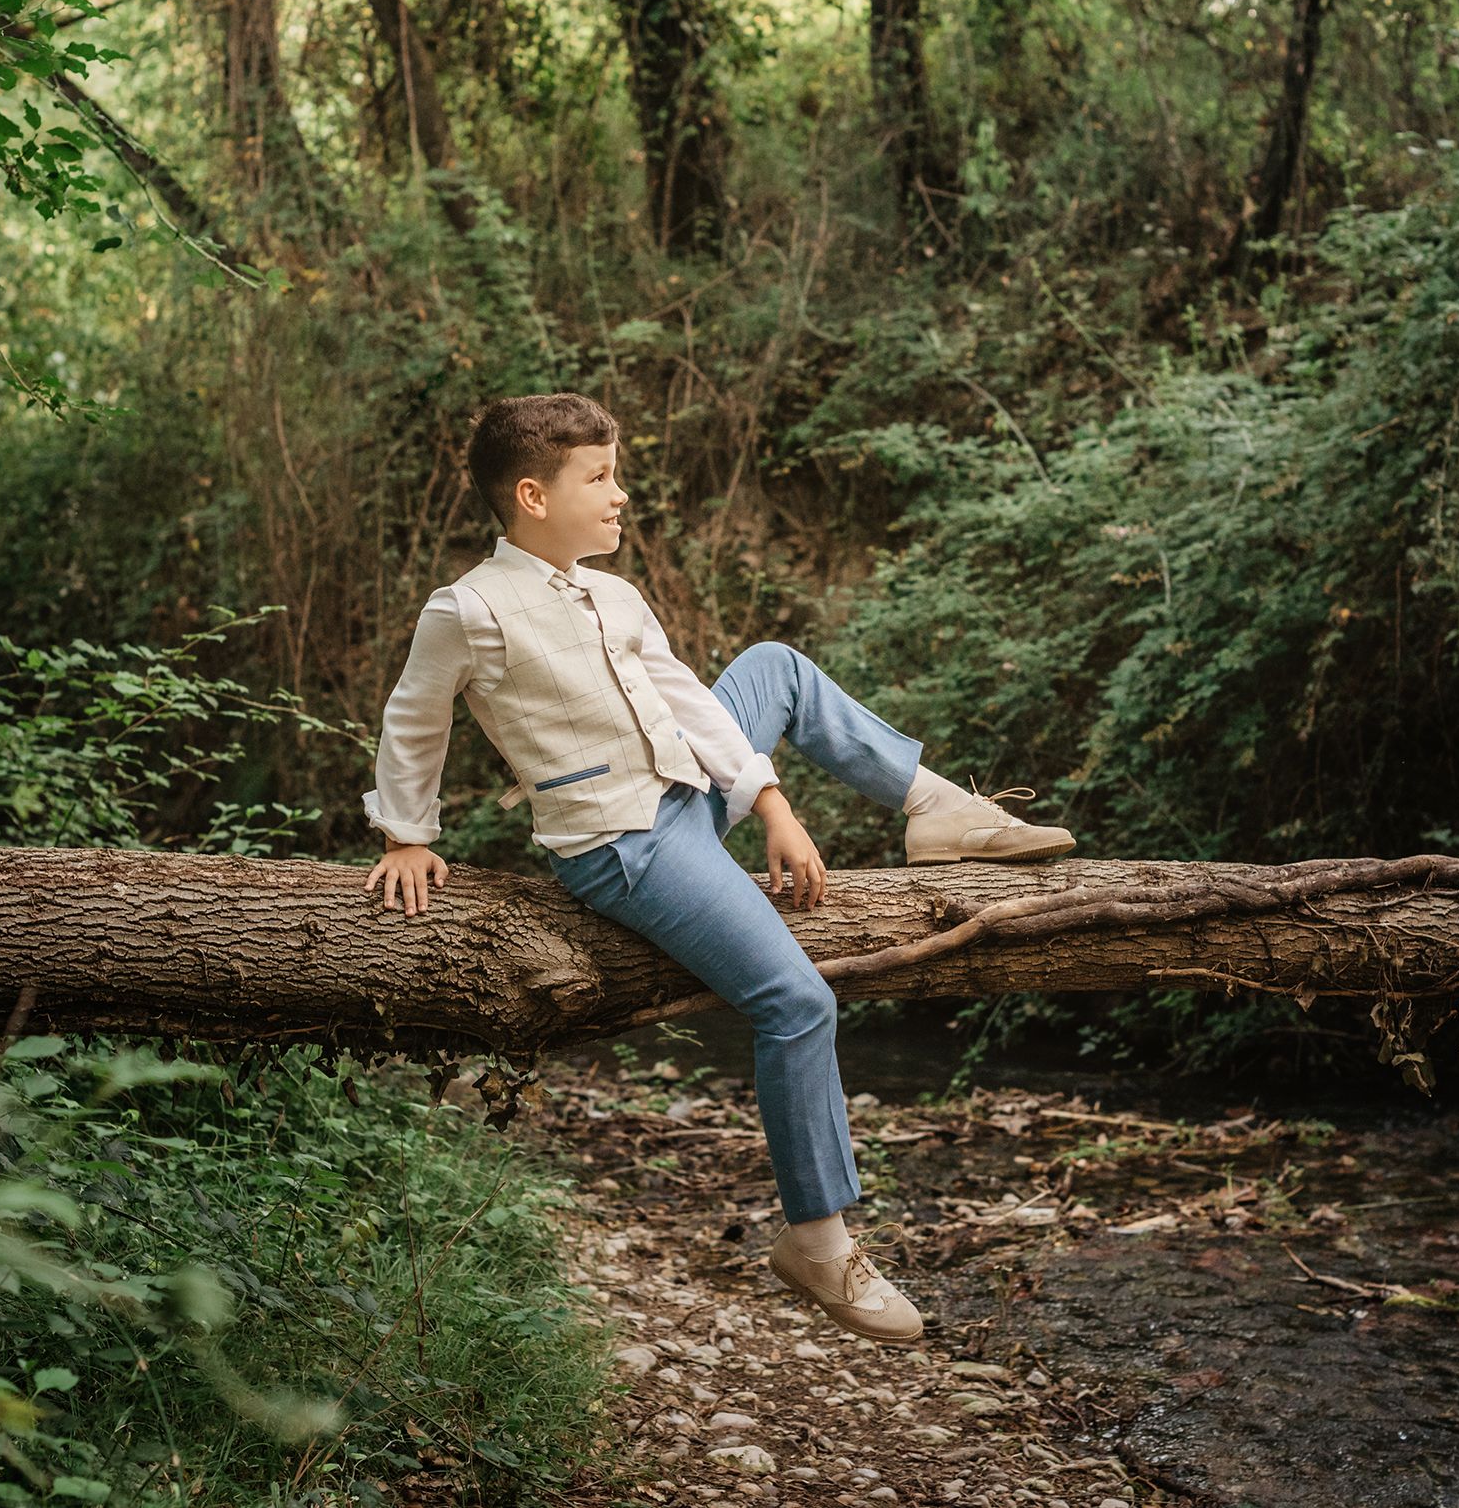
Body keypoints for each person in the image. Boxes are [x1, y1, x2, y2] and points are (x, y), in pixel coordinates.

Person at [363, 391, 1075, 1344]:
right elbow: (416, 717)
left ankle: (936, 808)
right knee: (798, 1002)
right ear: (532, 494)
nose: (621, 495)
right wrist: (407, 833)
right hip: (624, 846)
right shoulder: (470, 608)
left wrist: (771, 804)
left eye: (617, 474)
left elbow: (691, 701)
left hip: (686, 801)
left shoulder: (615, 594)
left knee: (773, 662)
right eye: (601, 478)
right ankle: (817, 1240)